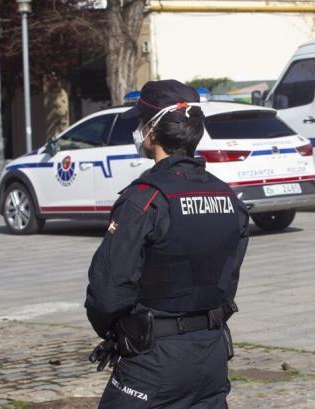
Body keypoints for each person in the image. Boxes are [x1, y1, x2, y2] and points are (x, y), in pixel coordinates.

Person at [85, 79, 249, 408]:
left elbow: (108, 291)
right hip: (211, 353)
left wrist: (117, 334)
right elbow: (227, 280)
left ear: (151, 130)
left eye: (139, 122)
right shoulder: (227, 197)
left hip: (154, 358)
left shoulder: (145, 200)